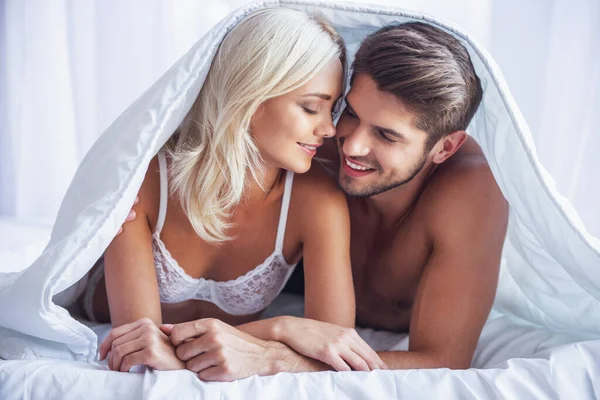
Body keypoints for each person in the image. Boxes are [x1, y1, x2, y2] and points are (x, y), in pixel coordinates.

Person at [115, 22, 509, 379]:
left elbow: (443, 359)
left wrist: (276, 354)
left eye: (386, 136)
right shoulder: (309, 149)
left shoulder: (468, 192)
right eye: (349, 112)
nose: (348, 142)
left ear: (445, 147)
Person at [80, 8, 386, 381]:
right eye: (311, 108)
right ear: (250, 95)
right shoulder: (146, 179)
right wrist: (279, 331)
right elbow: (141, 347)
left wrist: (276, 331)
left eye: (332, 108)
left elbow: (333, 347)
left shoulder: (317, 201)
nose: (328, 129)